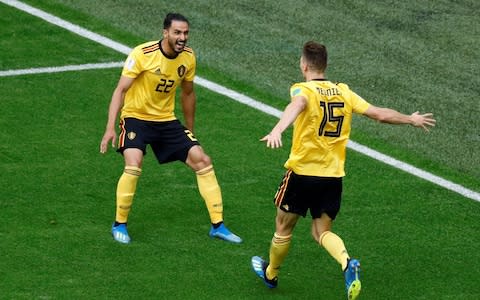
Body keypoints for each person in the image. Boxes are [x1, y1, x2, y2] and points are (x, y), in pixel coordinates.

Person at [251, 41, 436, 299]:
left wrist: (277, 129)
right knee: (322, 232)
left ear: (303, 65)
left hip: (303, 174)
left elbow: (297, 105)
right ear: (326, 65)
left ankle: (271, 273)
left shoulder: (302, 88)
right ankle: (347, 262)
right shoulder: (344, 92)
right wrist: (410, 119)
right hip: (333, 177)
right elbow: (379, 114)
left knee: (283, 228)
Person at [100, 12, 241, 244]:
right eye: (177, 32)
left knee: (202, 160)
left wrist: (190, 130)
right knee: (134, 163)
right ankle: (120, 224)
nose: (182, 37)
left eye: (185, 33)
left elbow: (188, 93)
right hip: (136, 118)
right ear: (165, 32)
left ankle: (218, 226)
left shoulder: (188, 58)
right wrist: (110, 127)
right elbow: (120, 91)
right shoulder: (143, 54)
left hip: (166, 120)